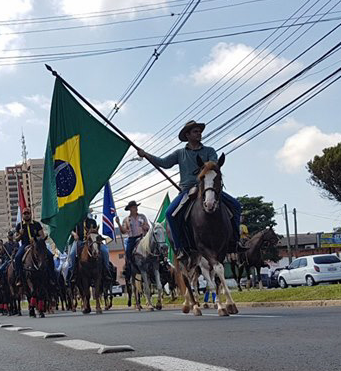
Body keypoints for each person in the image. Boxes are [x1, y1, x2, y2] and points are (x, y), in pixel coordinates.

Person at [137, 120, 242, 261]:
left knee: (236, 205)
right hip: (187, 190)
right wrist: (146, 155)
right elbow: (164, 163)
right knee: (169, 214)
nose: (199, 134)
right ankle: (181, 247)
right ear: (187, 135)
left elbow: (213, 164)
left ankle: (235, 241)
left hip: (208, 187)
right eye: (195, 131)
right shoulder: (180, 153)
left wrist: (205, 168)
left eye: (199, 131)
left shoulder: (209, 151)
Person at [66, 214, 111, 284]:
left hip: (92, 241)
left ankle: (106, 271)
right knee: (72, 254)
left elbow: (96, 233)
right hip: (80, 241)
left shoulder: (92, 221)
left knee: (104, 251)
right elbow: (70, 229)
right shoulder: (76, 222)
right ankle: (72, 274)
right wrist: (74, 234)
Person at [13, 208, 51, 280]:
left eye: (28, 213)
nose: (26, 215)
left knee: (50, 256)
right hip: (25, 245)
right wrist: (20, 234)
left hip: (37, 245)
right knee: (17, 257)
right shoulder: (19, 225)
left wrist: (35, 239)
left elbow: (42, 236)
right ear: (22, 215)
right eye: (25, 214)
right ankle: (19, 277)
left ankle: (52, 277)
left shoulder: (36, 224)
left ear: (31, 214)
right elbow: (16, 239)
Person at [120, 201, 150, 267]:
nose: (136, 208)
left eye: (136, 207)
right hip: (132, 238)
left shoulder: (142, 216)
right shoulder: (126, 220)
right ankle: (129, 268)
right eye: (134, 207)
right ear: (130, 209)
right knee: (128, 251)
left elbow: (148, 227)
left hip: (143, 238)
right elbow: (123, 231)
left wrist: (144, 226)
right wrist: (118, 223)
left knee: (153, 247)